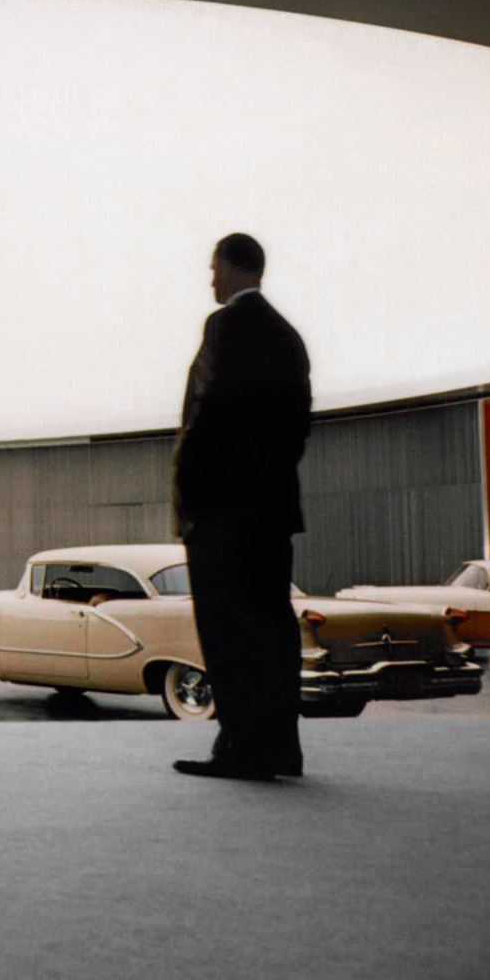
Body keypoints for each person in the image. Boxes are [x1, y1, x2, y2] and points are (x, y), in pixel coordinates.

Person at [171, 233, 311, 781]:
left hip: (221, 512)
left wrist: (193, 503)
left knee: (227, 629)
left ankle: (238, 748)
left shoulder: (223, 328)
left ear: (234, 269)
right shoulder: (288, 336)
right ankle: (280, 748)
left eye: (214, 269)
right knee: (273, 628)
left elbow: (201, 422)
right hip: (272, 511)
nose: (210, 280)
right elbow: (298, 426)